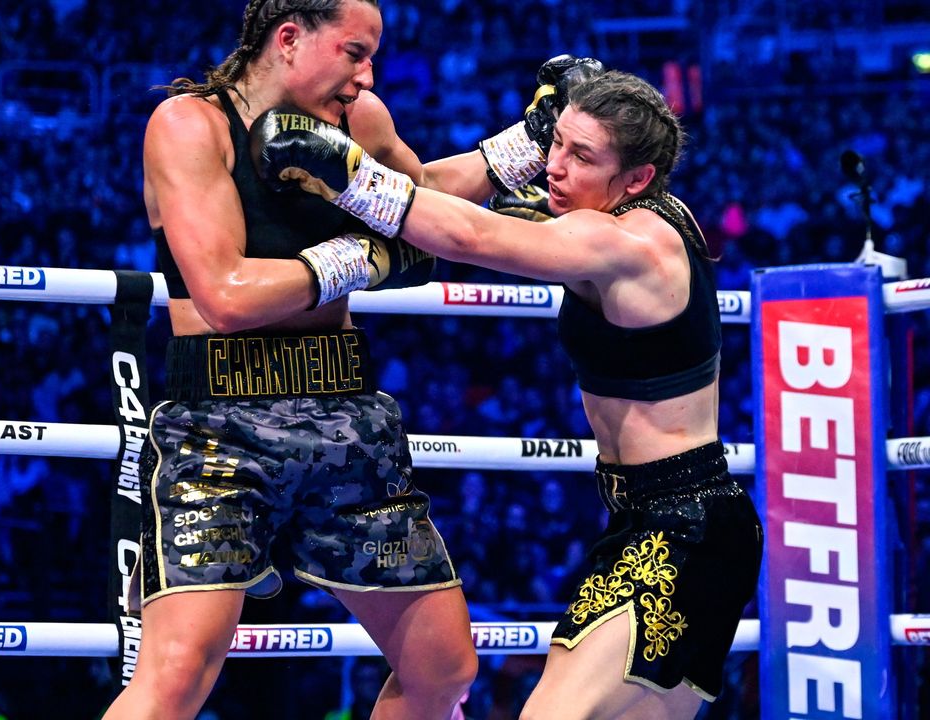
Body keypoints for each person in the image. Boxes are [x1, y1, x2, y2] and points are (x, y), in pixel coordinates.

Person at [253, 65, 764, 719]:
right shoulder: (642, 217)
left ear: (636, 179)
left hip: (683, 532)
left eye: (583, 157)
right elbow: (511, 227)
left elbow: (471, 236)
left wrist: (348, 171)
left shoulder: (625, 240)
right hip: (671, 522)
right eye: (558, 145)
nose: (555, 165)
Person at [103, 2, 485, 718]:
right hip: (219, 427)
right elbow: (225, 294)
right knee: (177, 676)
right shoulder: (189, 126)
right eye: (353, 52)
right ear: (288, 39)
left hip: (347, 415)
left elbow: (430, 208)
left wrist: (526, 147)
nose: (365, 75)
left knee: (443, 670)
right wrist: (365, 256)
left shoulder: (359, 121)